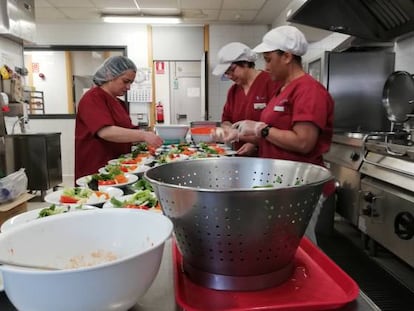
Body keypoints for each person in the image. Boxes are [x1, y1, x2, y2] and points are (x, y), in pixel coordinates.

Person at [218, 26, 334, 167]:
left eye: (268, 60)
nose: (266, 67)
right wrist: (238, 134)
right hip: (278, 174)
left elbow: (303, 143)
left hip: (298, 178)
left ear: (287, 57)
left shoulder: (309, 90)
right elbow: (273, 139)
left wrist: (262, 129)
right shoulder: (283, 90)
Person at [75, 55, 163, 180]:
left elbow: (128, 132)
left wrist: (155, 135)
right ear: (110, 75)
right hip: (97, 169)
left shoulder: (119, 103)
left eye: (131, 83)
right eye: (125, 81)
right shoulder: (93, 98)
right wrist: (144, 136)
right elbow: (106, 132)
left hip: (118, 168)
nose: (128, 87)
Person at [212, 42, 279, 156]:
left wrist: (255, 144)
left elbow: (279, 125)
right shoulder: (233, 91)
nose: (229, 76)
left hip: (267, 156)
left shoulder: (271, 83)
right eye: (226, 73)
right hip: (240, 155)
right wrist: (228, 129)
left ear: (246, 63)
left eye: (232, 70)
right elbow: (227, 119)